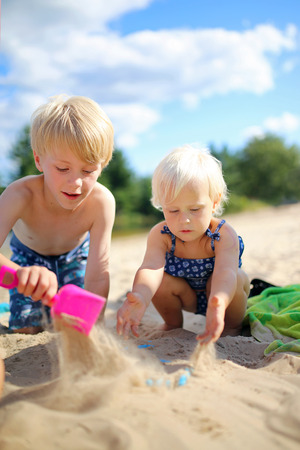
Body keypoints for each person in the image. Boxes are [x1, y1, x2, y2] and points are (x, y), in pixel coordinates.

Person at [0, 95, 115, 334]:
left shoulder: (101, 203)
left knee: (73, 326)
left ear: (102, 165)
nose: (75, 183)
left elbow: (97, 274)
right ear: (39, 160)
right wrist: (19, 273)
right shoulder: (19, 195)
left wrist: (96, 325)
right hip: (28, 259)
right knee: (27, 328)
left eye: (88, 170)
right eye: (62, 169)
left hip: (75, 257)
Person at [117, 145, 250, 344]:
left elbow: (226, 273)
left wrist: (219, 301)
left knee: (237, 277)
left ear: (214, 202)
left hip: (225, 292)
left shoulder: (222, 234)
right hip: (188, 297)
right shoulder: (161, 235)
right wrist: (141, 296)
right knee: (160, 280)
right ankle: (172, 324)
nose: (184, 220)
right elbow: (150, 268)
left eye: (194, 209)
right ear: (162, 205)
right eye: (173, 210)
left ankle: (231, 327)